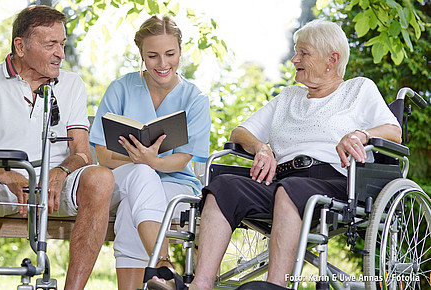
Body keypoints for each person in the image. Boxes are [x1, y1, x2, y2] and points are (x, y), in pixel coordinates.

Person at [147, 19, 402, 290]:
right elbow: (239, 132)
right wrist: (261, 147)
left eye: (303, 53)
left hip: (335, 180)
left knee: (290, 189)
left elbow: (393, 131)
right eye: (295, 51)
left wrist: (359, 135)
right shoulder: (288, 97)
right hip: (279, 179)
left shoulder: (358, 90)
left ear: (332, 59)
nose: (294, 59)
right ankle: (200, 284)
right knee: (223, 186)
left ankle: (276, 285)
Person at [0, 5, 114, 290]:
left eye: (62, 44)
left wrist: (60, 172)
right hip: (2, 182)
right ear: (21, 46)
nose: (61, 54)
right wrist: (9, 175)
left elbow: (83, 154)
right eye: (51, 45)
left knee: (101, 178)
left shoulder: (72, 84)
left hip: (55, 185)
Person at [89, 14, 211, 290]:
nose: (163, 63)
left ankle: (158, 274)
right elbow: (103, 156)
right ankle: (163, 266)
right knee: (141, 174)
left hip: (176, 185)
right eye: (153, 56)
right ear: (141, 54)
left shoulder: (195, 99)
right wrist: (142, 161)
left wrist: (153, 161)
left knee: (132, 209)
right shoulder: (121, 89)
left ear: (181, 51)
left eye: (170, 54)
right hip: (118, 181)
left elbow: (183, 159)